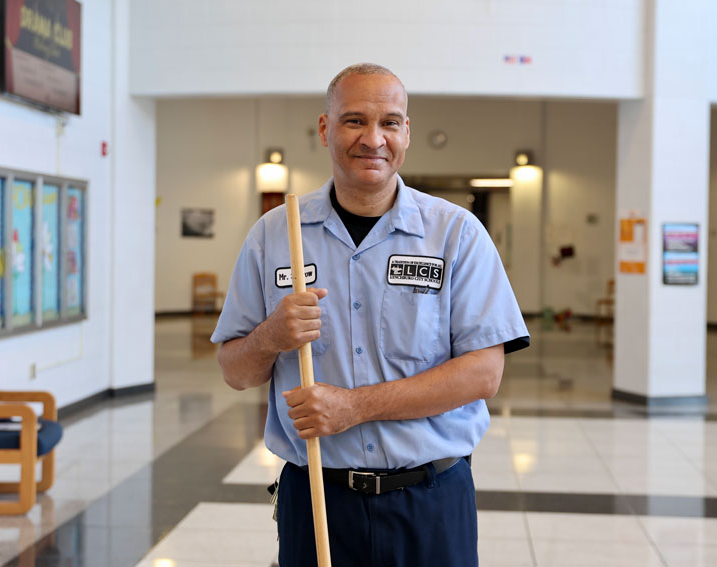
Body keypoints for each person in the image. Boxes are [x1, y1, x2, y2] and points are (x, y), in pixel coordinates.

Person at [212, 63, 529, 567]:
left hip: (430, 500)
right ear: (325, 128)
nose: (373, 139)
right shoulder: (275, 236)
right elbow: (235, 372)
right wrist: (270, 336)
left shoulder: (456, 235)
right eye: (354, 120)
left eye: (390, 123)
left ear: (407, 132)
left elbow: (484, 374)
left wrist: (354, 406)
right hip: (315, 497)